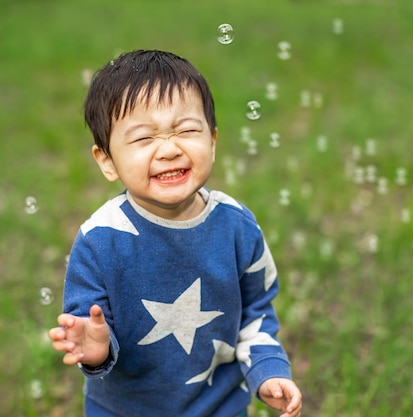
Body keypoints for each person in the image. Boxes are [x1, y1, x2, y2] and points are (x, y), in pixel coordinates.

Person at [48, 49, 303, 417]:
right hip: (123, 410)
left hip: (219, 405)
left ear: (212, 141)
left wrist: (268, 372)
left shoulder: (237, 226)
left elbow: (257, 312)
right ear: (107, 161)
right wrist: (97, 347)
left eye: (186, 130)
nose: (169, 149)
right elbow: (89, 327)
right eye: (143, 138)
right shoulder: (100, 240)